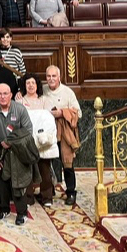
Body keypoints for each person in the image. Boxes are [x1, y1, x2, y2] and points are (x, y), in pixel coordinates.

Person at [0, 83, 36, 225]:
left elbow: (28, 131)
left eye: (5, 93)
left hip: (19, 153)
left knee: (18, 185)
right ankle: (4, 209)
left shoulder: (20, 109)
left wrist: (11, 142)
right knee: (1, 184)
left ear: (11, 95)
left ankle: (22, 213)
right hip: (0, 154)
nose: (2, 97)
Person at [16, 73, 57, 207]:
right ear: (24, 85)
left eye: (33, 83)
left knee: (45, 169)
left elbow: (50, 119)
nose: (31, 85)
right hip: (27, 140)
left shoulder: (44, 100)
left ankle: (47, 197)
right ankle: (28, 197)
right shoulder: (20, 101)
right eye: (28, 83)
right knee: (27, 169)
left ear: (37, 85)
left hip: (43, 140)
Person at [43, 65, 81, 206]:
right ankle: (48, 191)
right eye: (48, 76)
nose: (51, 79)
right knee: (46, 163)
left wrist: (62, 113)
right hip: (47, 131)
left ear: (59, 77)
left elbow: (79, 112)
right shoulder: (43, 90)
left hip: (64, 133)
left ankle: (71, 192)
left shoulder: (67, 92)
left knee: (67, 163)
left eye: (54, 76)